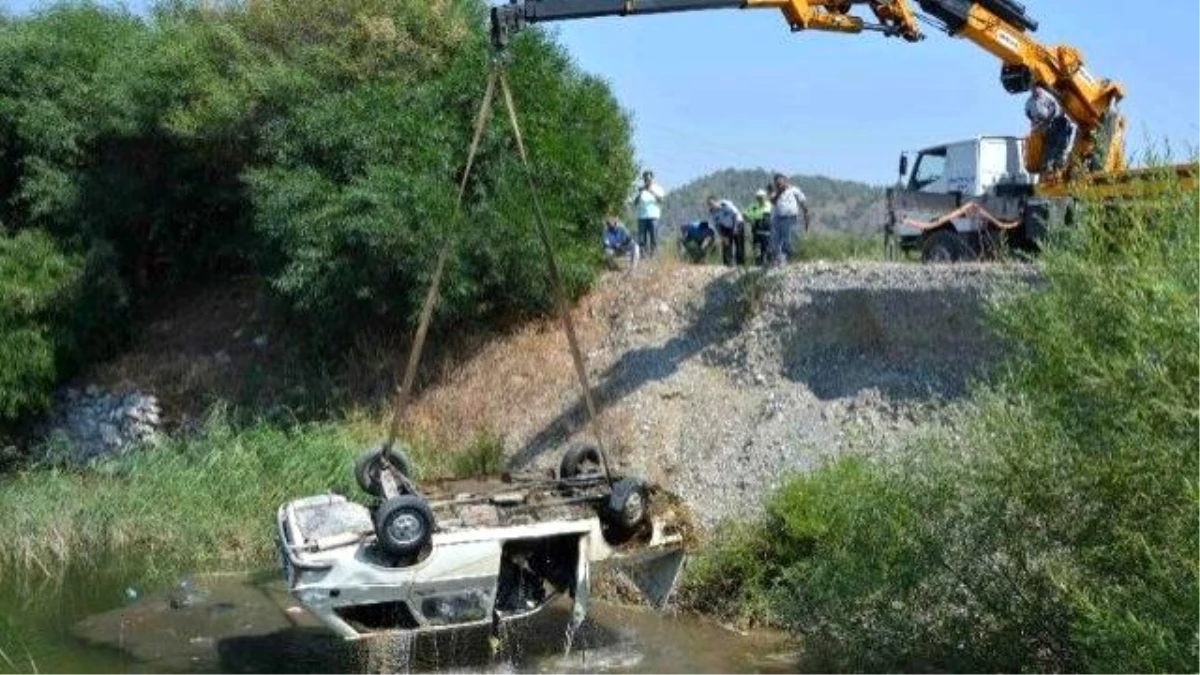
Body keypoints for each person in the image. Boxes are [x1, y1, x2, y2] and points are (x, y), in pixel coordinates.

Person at [1025, 84, 1073, 172]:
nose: (1034, 90)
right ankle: (1042, 163)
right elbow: (1027, 112)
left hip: (1047, 123)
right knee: (1038, 145)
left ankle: (1051, 163)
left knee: (1049, 145)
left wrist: (1047, 118)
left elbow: (1053, 108)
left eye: (1036, 88)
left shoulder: (1046, 97)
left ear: (1039, 88)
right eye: (1032, 89)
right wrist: (1034, 120)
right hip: (1037, 124)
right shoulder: (1029, 101)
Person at [768, 173, 810, 265]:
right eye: (776, 183)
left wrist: (806, 214)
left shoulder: (794, 190)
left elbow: (803, 202)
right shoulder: (774, 191)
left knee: (788, 239)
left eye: (780, 182)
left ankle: (789, 259)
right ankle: (778, 260)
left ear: (785, 181)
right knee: (775, 240)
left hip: (790, 218)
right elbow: (772, 201)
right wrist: (779, 192)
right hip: (777, 218)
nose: (778, 185)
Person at [631, 170, 666, 258]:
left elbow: (661, 200)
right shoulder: (640, 189)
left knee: (653, 237)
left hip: (653, 216)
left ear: (652, 179)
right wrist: (640, 193)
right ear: (644, 180)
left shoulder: (658, 188)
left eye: (649, 179)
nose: (647, 181)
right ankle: (643, 256)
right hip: (642, 216)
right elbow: (635, 203)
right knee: (642, 238)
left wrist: (651, 191)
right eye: (645, 179)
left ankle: (653, 256)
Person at [706, 195, 745, 267]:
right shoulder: (712, 213)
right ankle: (727, 265)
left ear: (716, 201)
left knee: (739, 245)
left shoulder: (725, 204)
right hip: (725, 227)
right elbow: (716, 225)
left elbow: (735, 214)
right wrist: (722, 236)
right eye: (709, 205)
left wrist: (735, 228)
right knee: (726, 245)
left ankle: (740, 265)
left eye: (711, 203)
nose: (711, 206)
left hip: (737, 222)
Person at [744, 187, 773, 266]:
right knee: (757, 247)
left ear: (765, 197)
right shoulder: (754, 206)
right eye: (758, 197)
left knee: (766, 247)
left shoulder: (769, 205)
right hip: (756, 230)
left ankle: (768, 263)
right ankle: (758, 263)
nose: (760, 199)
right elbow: (745, 214)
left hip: (767, 230)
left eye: (761, 197)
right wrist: (751, 220)